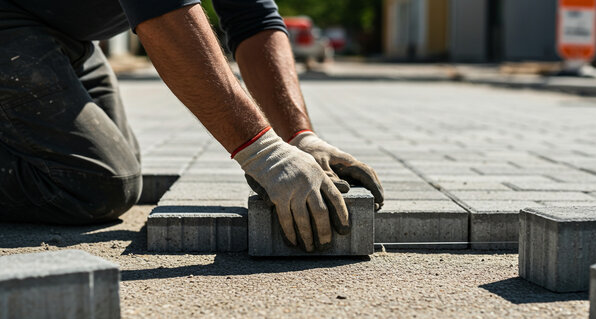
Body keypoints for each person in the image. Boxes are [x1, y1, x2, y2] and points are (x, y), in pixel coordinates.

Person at [0, 0, 384, 252]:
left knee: (115, 168)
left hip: (65, 37)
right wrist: (262, 152)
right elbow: (163, 12)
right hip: (12, 22)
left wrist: (299, 136)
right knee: (95, 183)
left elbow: (253, 19)